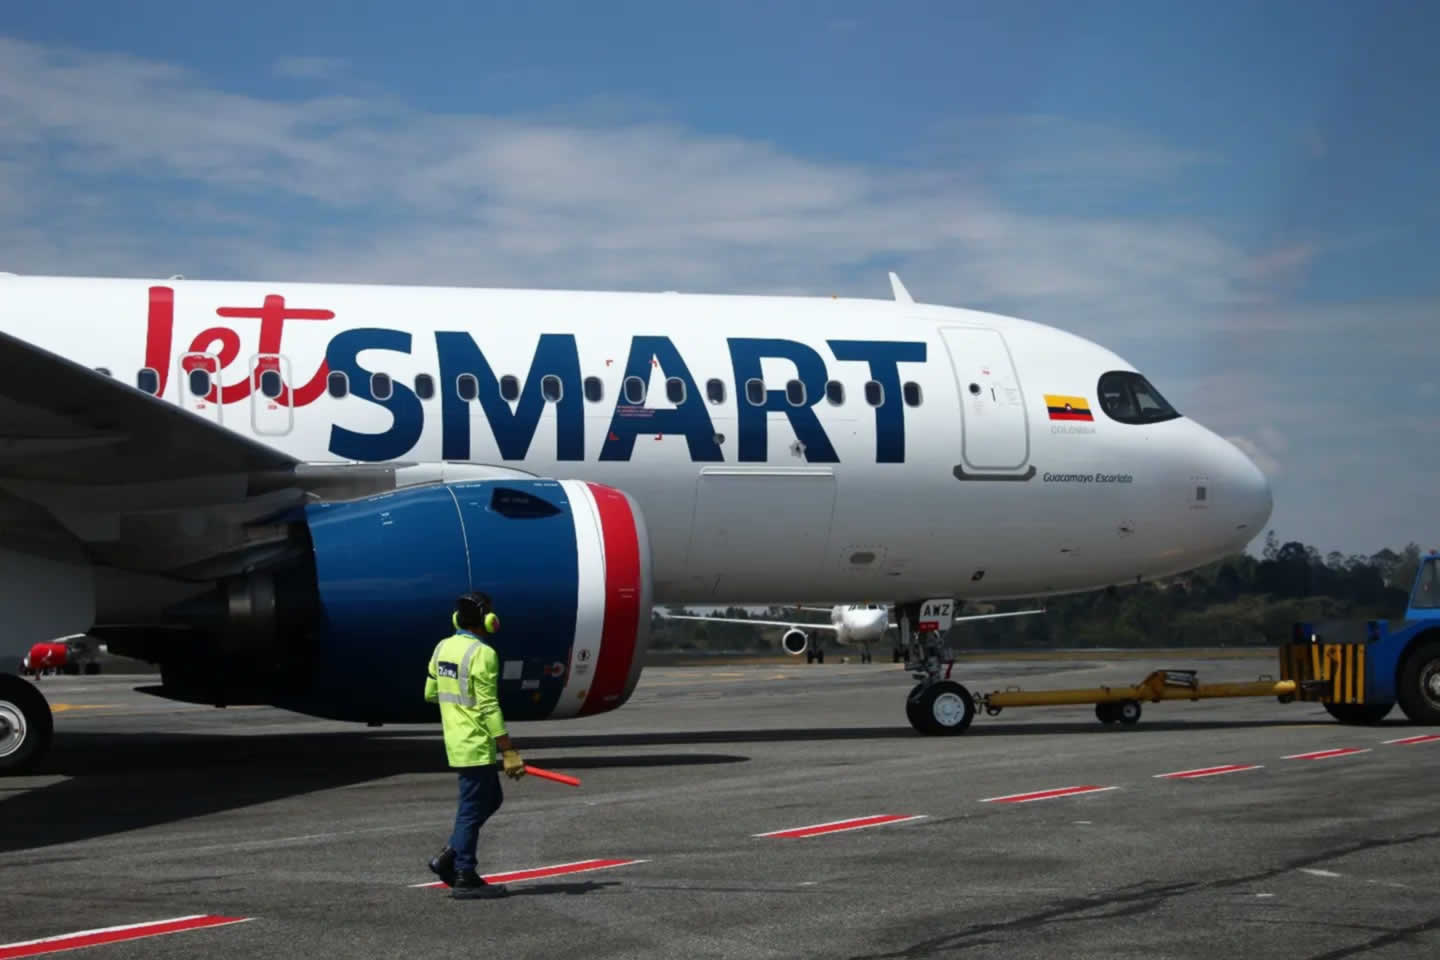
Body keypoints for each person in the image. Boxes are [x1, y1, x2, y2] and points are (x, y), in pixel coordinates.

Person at [424, 591, 527, 899]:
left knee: (491, 799)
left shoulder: (442, 647)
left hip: (456, 740)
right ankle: (464, 874)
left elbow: (431, 693)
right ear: (488, 620)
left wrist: (456, 706)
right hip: (476, 744)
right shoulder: (483, 653)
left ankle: (450, 855)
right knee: (471, 810)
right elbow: (489, 706)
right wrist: (508, 750)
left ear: (458, 619)